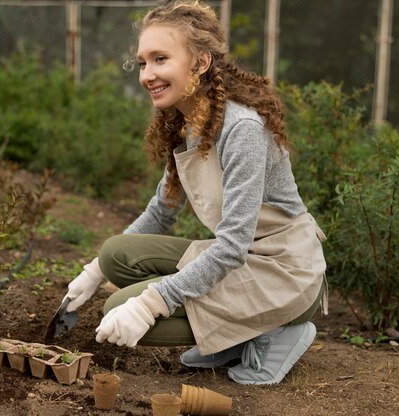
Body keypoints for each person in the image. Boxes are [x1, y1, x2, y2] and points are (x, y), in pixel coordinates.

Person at [62, 0, 328, 386]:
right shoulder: (186, 123)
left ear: (201, 63)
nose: (147, 74)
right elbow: (161, 213)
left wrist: (151, 303)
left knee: (122, 307)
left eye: (160, 59)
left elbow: (233, 245)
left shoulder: (243, 130)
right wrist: (94, 271)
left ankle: (279, 330)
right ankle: (234, 334)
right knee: (115, 255)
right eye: (142, 62)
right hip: (243, 261)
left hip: (283, 270)